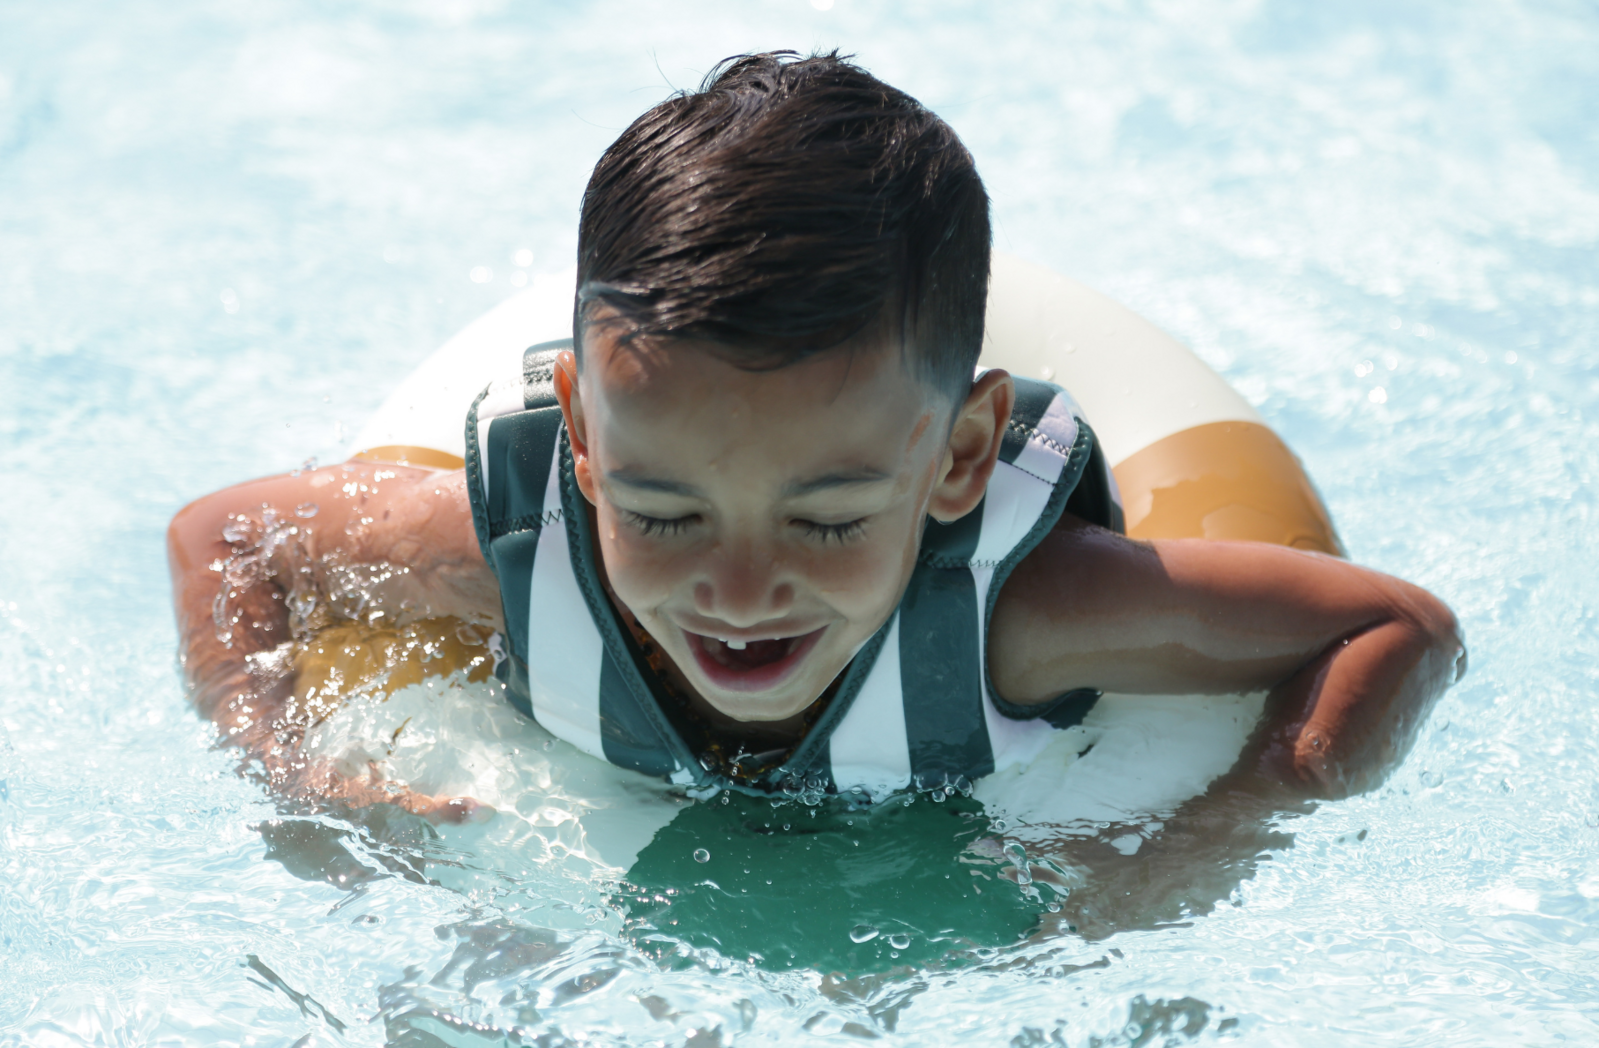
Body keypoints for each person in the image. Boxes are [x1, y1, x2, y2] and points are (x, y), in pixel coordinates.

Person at [166, 52, 1464, 823]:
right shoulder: (519, 554)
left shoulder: (1022, 613)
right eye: (664, 512)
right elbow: (221, 537)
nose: (737, 591)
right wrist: (282, 763)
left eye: (828, 517)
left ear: (957, 461)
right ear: (579, 434)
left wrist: (1223, 829)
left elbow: (1396, 630)